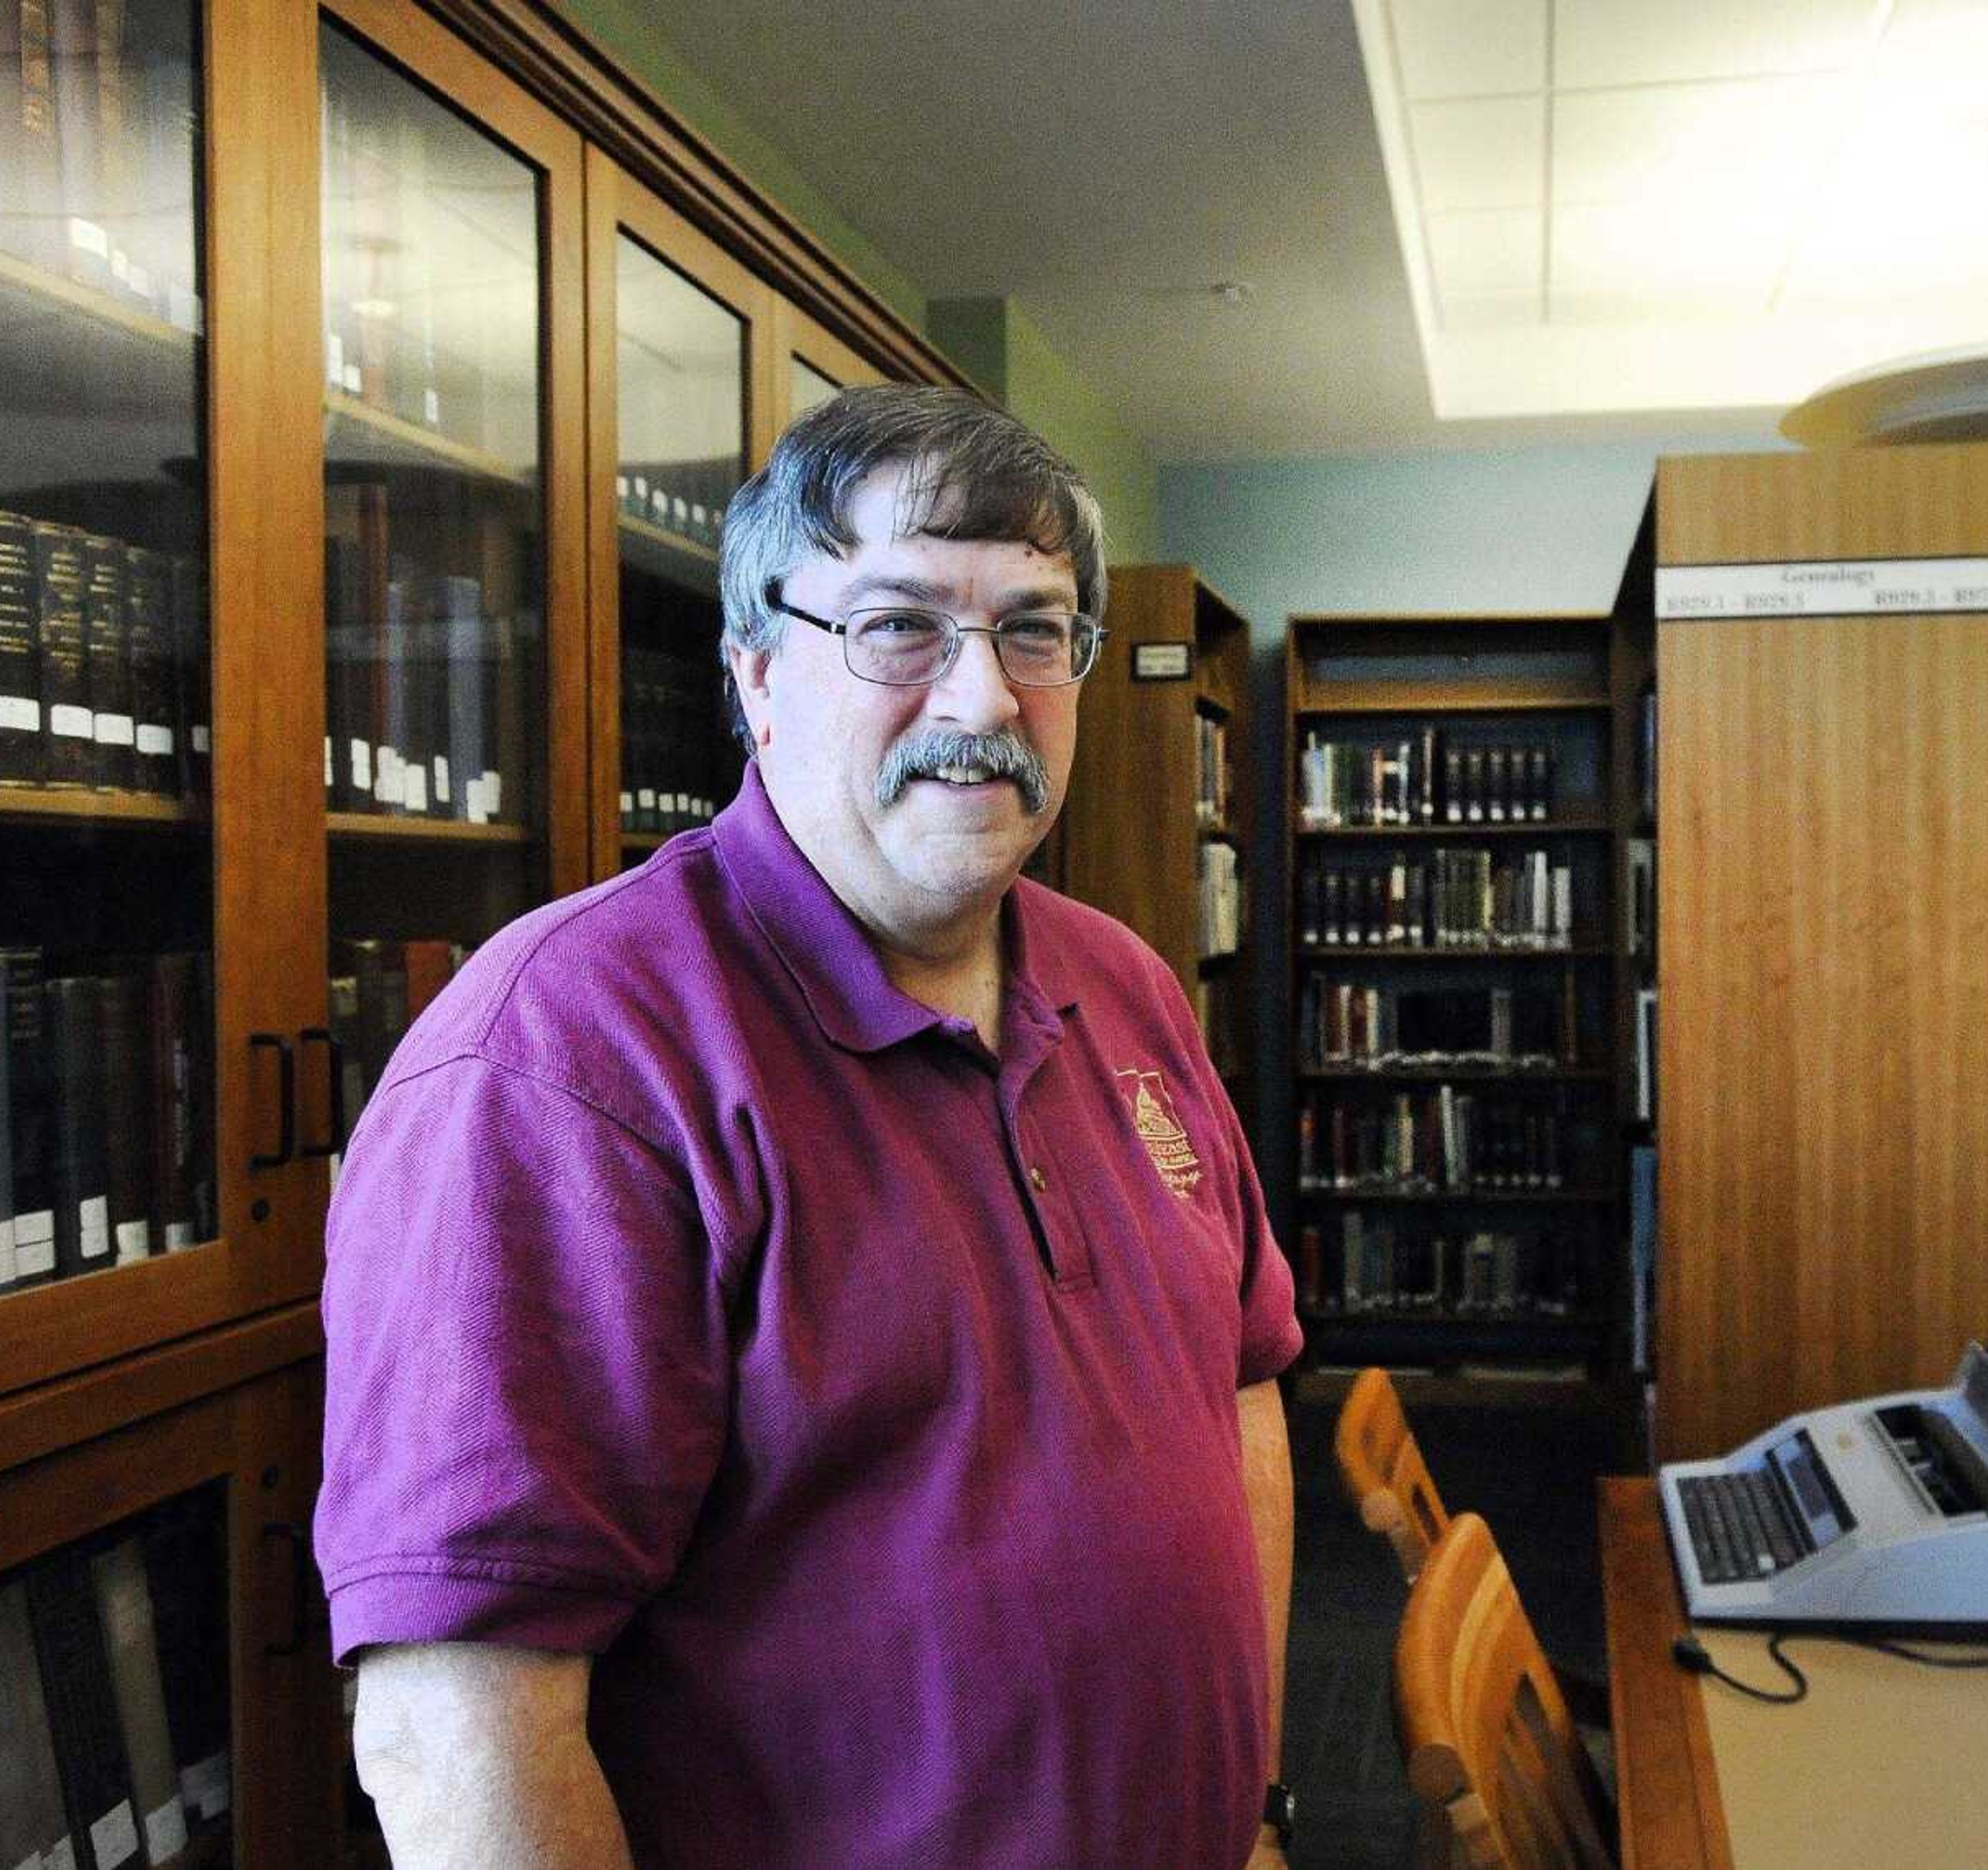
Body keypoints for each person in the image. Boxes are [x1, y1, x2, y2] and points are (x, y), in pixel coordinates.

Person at [315, 385, 1301, 1868]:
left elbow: (1236, 1392)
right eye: (899, 626)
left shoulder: (1130, 986)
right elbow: (461, 1732)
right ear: (760, 672)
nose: (982, 699)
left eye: (1034, 630)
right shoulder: (562, 1066)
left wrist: (1250, 1808)